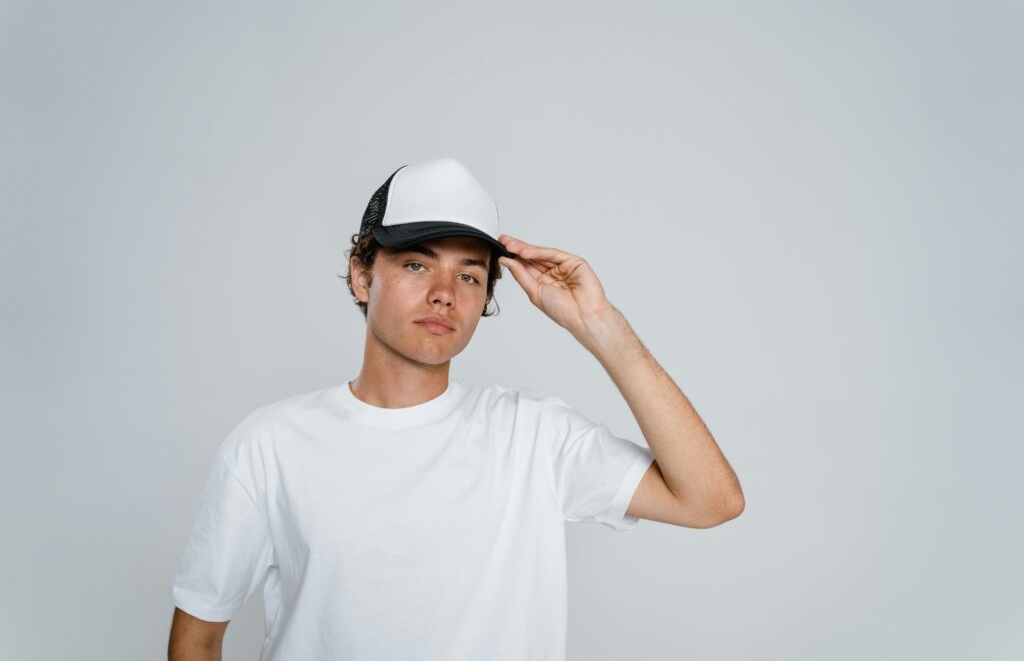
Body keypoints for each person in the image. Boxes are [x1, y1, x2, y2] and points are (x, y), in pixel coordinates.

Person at [167, 157, 744, 660]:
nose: (445, 291)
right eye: (417, 264)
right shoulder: (270, 444)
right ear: (363, 275)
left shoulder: (533, 436)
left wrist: (600, 326)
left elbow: (711, 500)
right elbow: (197, 635)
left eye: (469, 275)